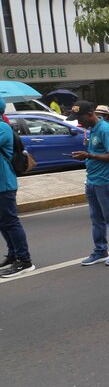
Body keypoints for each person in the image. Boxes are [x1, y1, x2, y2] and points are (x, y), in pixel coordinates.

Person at [68, 101, 109, 266]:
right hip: (92, 180)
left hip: (105, 181)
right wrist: (87, 156)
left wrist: (89, 156)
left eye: (80, 118)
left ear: (90, 114)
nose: (79, 122)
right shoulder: (93, 129)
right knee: (96, 219)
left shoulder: (104, 130)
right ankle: (100, 251)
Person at [0, 97, 34, 278]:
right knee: (2, 222)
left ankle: (24, 260)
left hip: (4, 183)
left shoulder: (2, 127)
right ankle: (13, 255)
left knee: (11, 221)